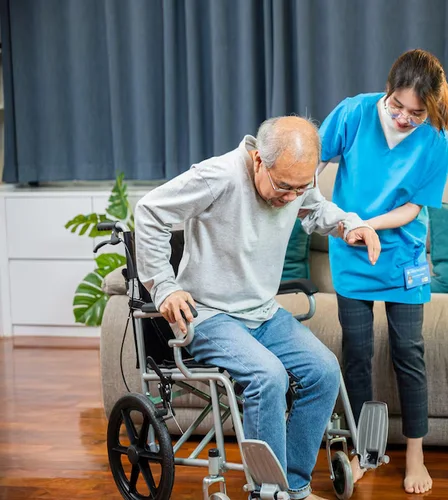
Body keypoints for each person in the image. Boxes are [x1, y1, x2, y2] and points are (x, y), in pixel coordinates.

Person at [134, 116, 381, 500]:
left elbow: (315, 208)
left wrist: (350, 224)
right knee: (268, 376)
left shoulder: (296, 182)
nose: (290, 197)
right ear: (257, 161)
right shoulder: (217, 176)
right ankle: (267, 492)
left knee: (324, 371)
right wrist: (164, 287)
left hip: (262, 312)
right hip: (210, 315)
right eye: (284, 187)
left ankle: (292, 488)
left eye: (300, 187)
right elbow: (149, 212)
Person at [317, 49, 448, 494]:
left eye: (416, 113)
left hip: (403, 256)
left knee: (408, 353)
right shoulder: (354, 113)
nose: (403, 119)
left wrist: (366, 224)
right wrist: (330, 216)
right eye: (397, 107)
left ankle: (415, 453)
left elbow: (414, 207)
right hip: (352, 254)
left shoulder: (436, 138)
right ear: (388, 90)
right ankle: (363, 451)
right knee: (356, 353)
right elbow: (312, 159)